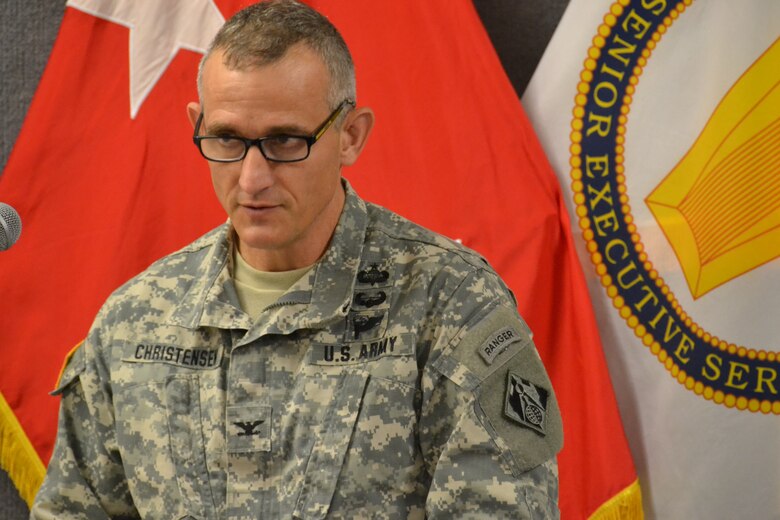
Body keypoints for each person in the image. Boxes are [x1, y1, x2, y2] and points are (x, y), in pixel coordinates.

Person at [31, 1, 562, 518]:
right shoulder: (134, 321)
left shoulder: (451, 304)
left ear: (350, 135)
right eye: (227, 138)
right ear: (198, 123)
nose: (252, 178)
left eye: (285, 141)